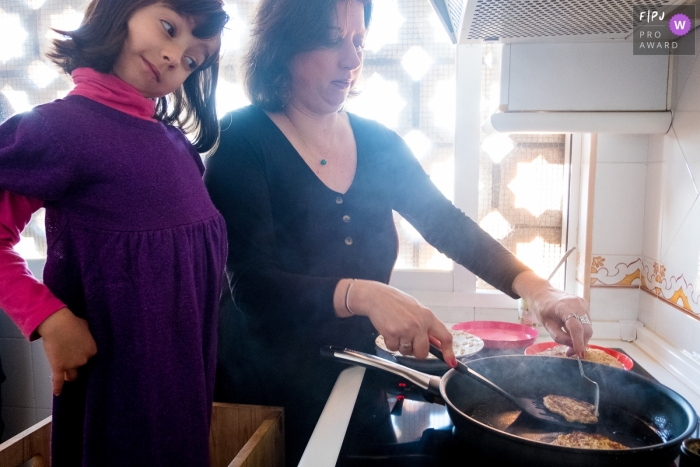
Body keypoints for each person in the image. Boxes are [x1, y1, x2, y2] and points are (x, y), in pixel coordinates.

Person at [204, 0, 592, 464]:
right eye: (333, 40)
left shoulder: (376, 142)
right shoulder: (241, 141)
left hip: (355, 377)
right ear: (283, 45)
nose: (352, 60)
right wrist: (365, 295)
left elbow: (445, 223)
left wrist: (540, 291)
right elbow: (253, 287)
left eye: (359, 42)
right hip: (264, 395)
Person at [0, 1, 228, 465]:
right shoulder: (58, 130)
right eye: (168, 28)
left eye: (192, 60)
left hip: (183, 404)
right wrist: (48, 317)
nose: (173, 56)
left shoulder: (176, 145)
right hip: (117, 413)